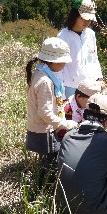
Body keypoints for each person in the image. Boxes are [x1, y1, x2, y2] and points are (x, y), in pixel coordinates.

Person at [25, 37, 78, 188]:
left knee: (46, 161)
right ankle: (45, 188)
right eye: (63, 61)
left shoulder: (40, 73)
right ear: (53, 60)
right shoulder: (45, 82)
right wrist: (64, 123)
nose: (65, 64)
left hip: (39, 126)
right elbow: (45, 112)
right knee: (50, 163)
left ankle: (42, 185)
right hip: (45, 129)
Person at [58, 0, 104, 98]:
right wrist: (60, 91)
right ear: (75, 16)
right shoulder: (63, 36)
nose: (87, 22)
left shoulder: (90, 34)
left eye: (89, 19)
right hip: (70, 86)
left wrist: (99, 78)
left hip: (90, 85)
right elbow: (59, 66)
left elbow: (94, 59)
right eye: (83, 18)